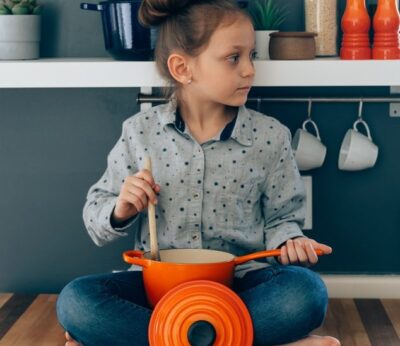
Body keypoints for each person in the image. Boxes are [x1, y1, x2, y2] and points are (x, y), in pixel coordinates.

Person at [56, 1, 341, 345]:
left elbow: (283, 219)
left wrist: (290, 241)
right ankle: (232, 339)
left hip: (237, 287)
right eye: (234, 58)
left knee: (306, 293)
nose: (250, 70)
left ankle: (172, 338)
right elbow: (95, 221)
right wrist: (120, 209)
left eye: (252, 55)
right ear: (182, 67)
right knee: (76, 301)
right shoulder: (139, 132)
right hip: (157, 290)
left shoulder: (271, 137)